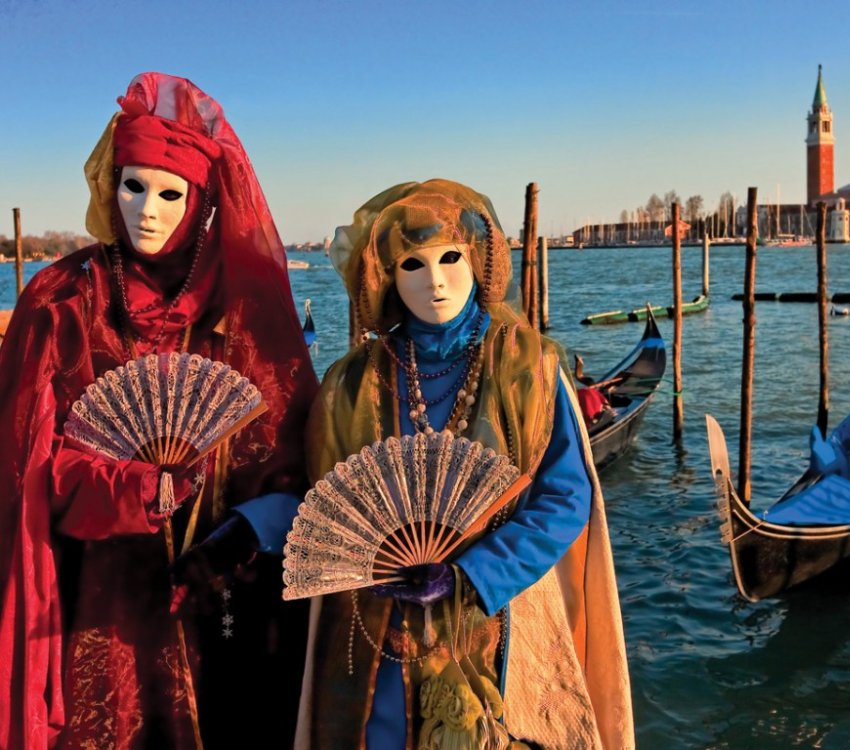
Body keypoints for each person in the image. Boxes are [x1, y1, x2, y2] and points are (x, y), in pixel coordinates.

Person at [0, 73, 318, 749]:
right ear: (108, 186)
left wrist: (242, 529)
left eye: (171, 193)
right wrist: (135, 489)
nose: (147, 209)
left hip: (222, 591)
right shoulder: (64, 302)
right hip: (99, 596)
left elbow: (294, 460)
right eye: (132, 185)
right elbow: (26, 469)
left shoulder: (243, 312)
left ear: (202, 202)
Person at [294, 179, 634, 748]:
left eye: (451, 257)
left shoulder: (529, 367)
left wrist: (473, 576)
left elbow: (566, 496)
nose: (436, 281)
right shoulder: (351, 383)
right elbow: (327, 507)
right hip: (377, 642)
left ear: (479, 258)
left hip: (499, 620)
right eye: (412, 264)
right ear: (385, 278)